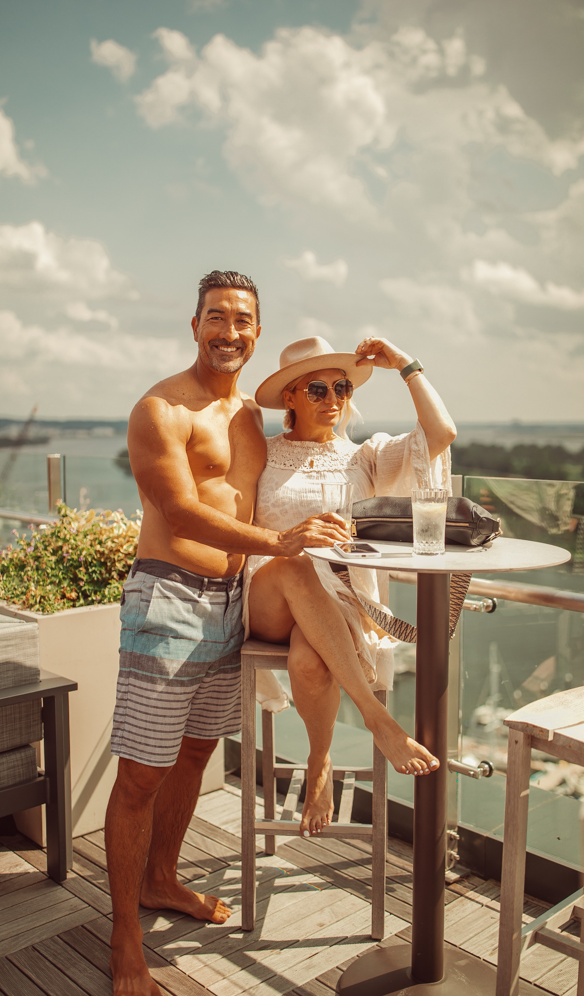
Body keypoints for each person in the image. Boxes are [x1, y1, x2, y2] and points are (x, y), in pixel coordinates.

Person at [105, 272, 352, 996]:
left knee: (193, 757)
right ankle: (124, 939)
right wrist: (281, 547)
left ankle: (160, 880)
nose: (229, 331)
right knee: (139, 776)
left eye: (243, 320)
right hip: (169, 599)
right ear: (194, 325)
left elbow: (322, 452)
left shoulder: (252, 416)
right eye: (216, 317)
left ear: (256, 333)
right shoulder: (159, 408)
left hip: (230, 602)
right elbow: (177, 511)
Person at [245, 335, 457, 839]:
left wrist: (405, 364)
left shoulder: (363, 458)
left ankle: (319, 761)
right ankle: (378, 720)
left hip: (336, 607)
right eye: (316, 389)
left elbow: (441, 433)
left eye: (341, 387)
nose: (333, 399)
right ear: (290, 398)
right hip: (270, 595)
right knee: (297, 566)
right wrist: (287, 539)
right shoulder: (259, 454)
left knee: (309, 659)